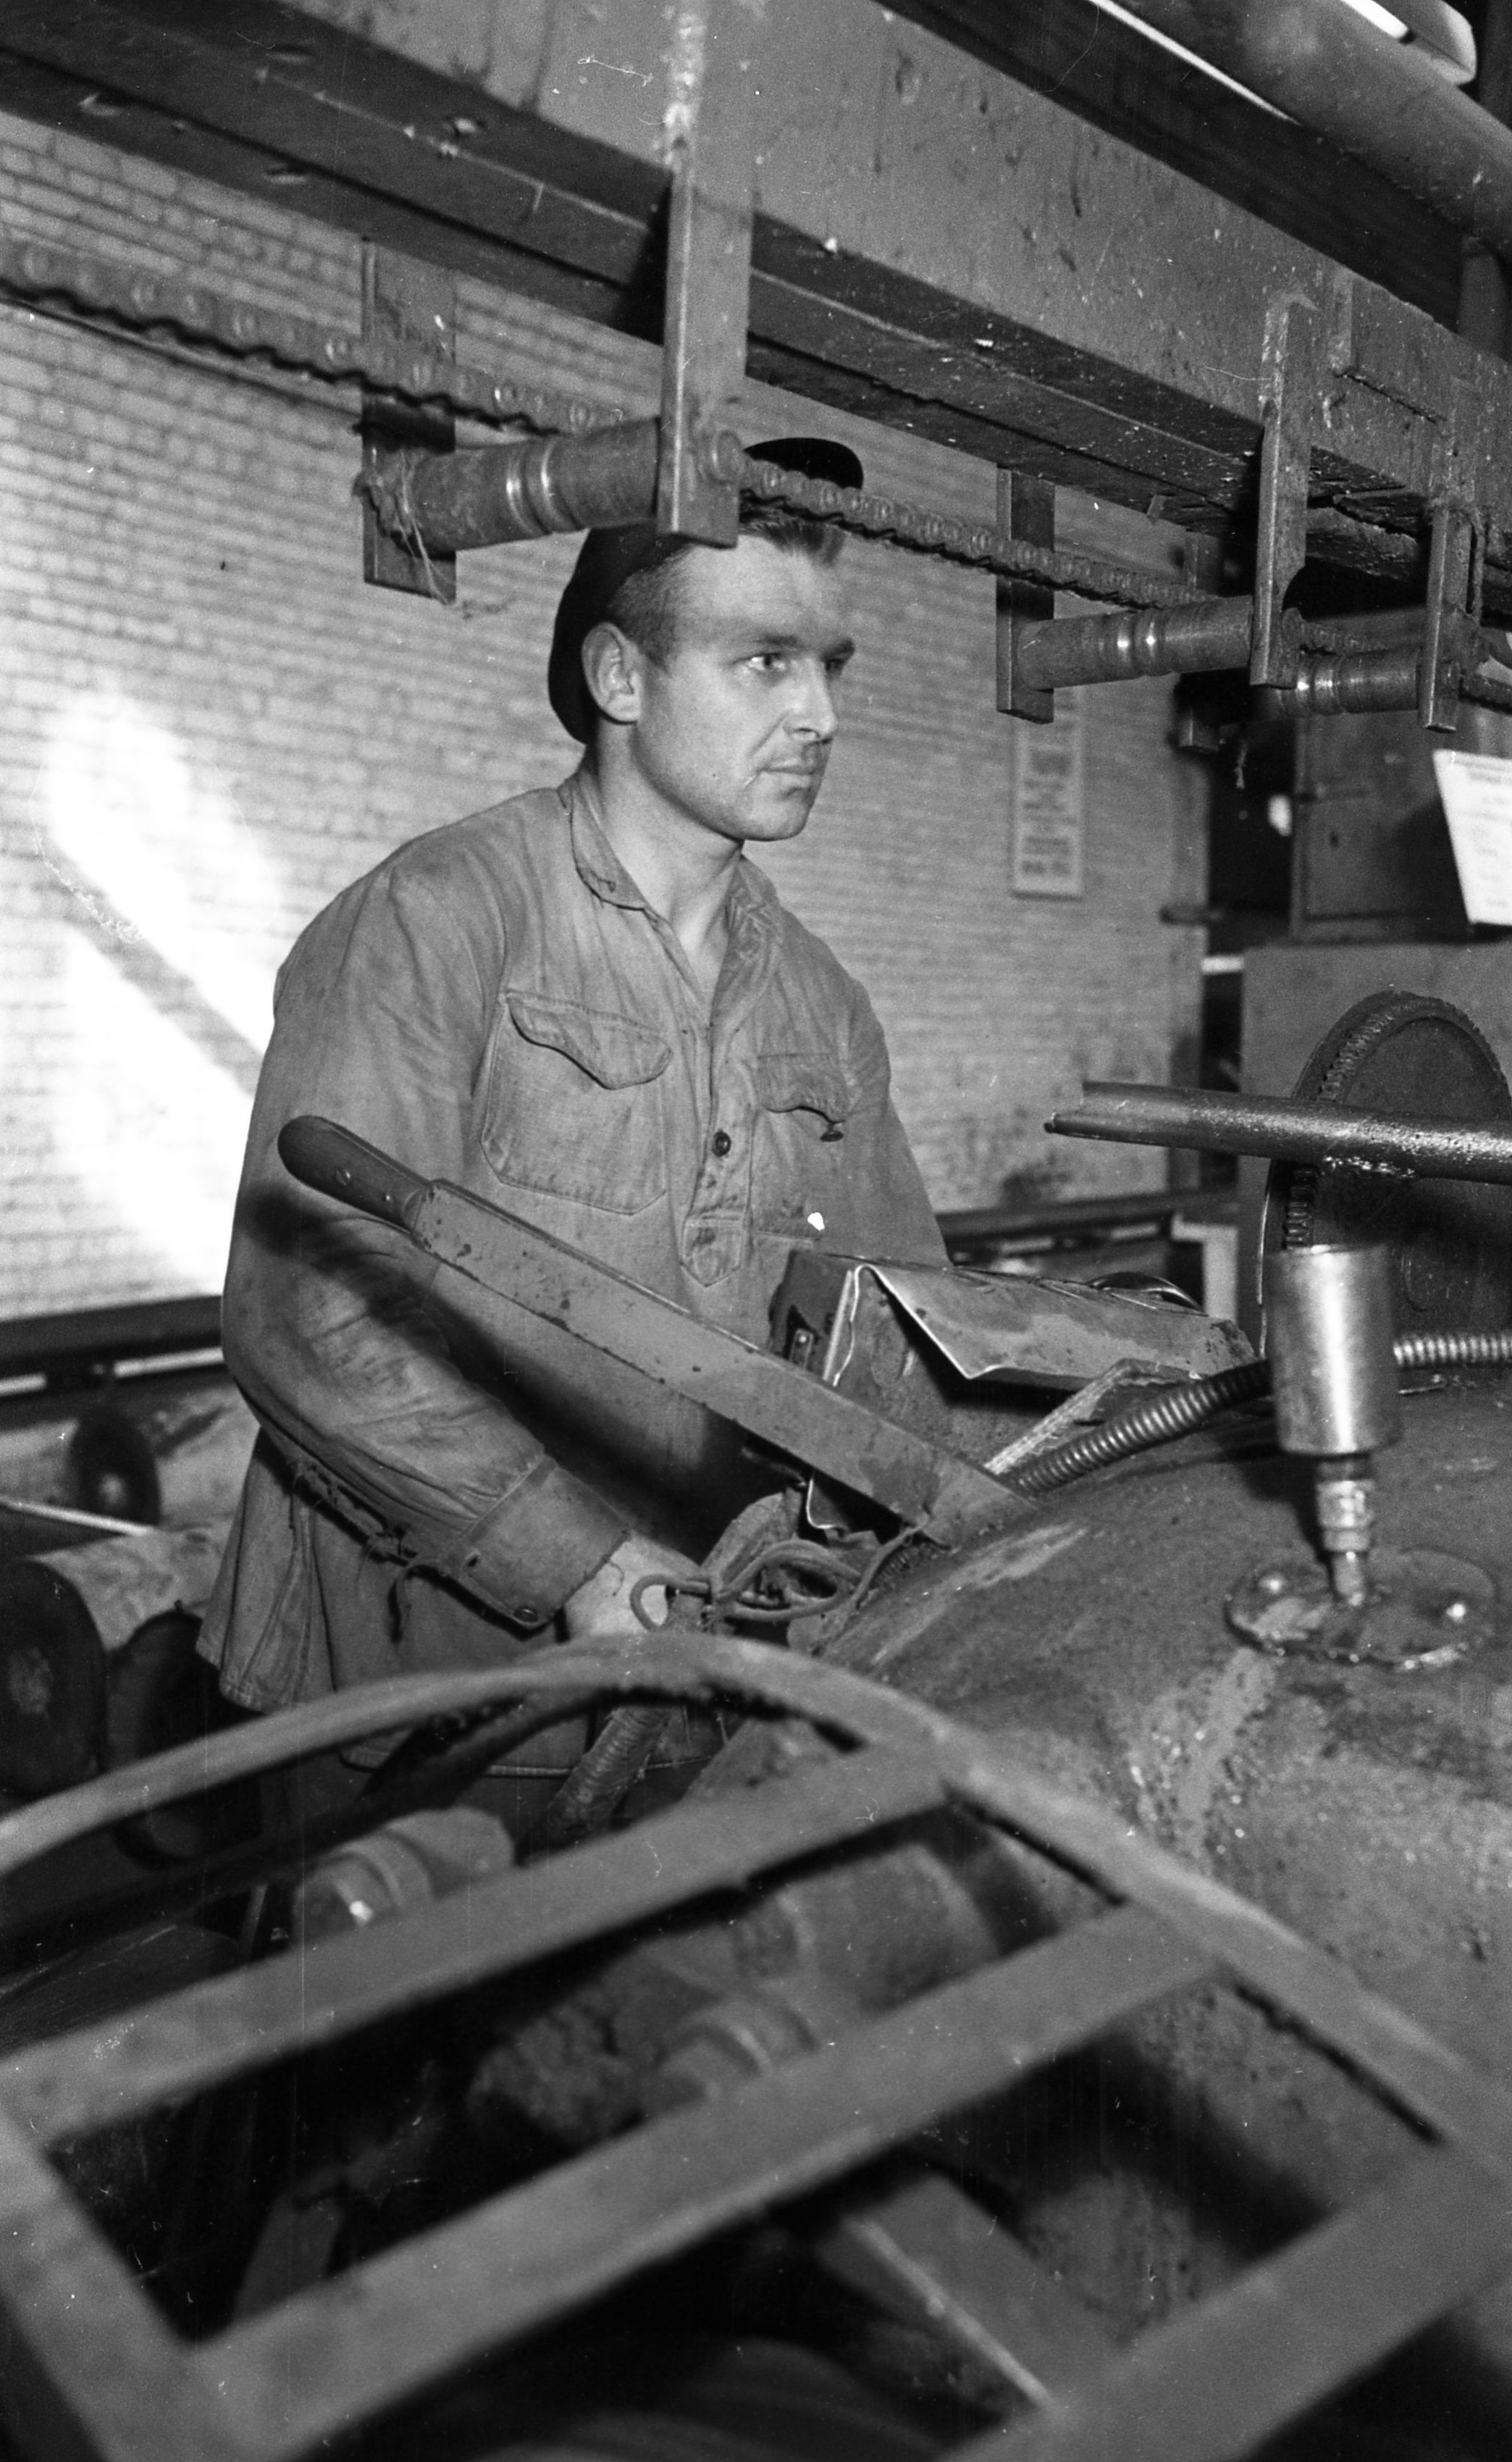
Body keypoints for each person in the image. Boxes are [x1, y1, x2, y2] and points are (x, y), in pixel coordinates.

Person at [197, 437, 945, 1714]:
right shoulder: (438, 920)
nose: (821, 716)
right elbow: (307, 1312)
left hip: (720, 1650)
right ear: (621, 677)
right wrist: (574, 1557)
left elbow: (905, 1328)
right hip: (428, 1684)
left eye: (831, 667)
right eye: (766, 662)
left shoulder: (824, 1006)